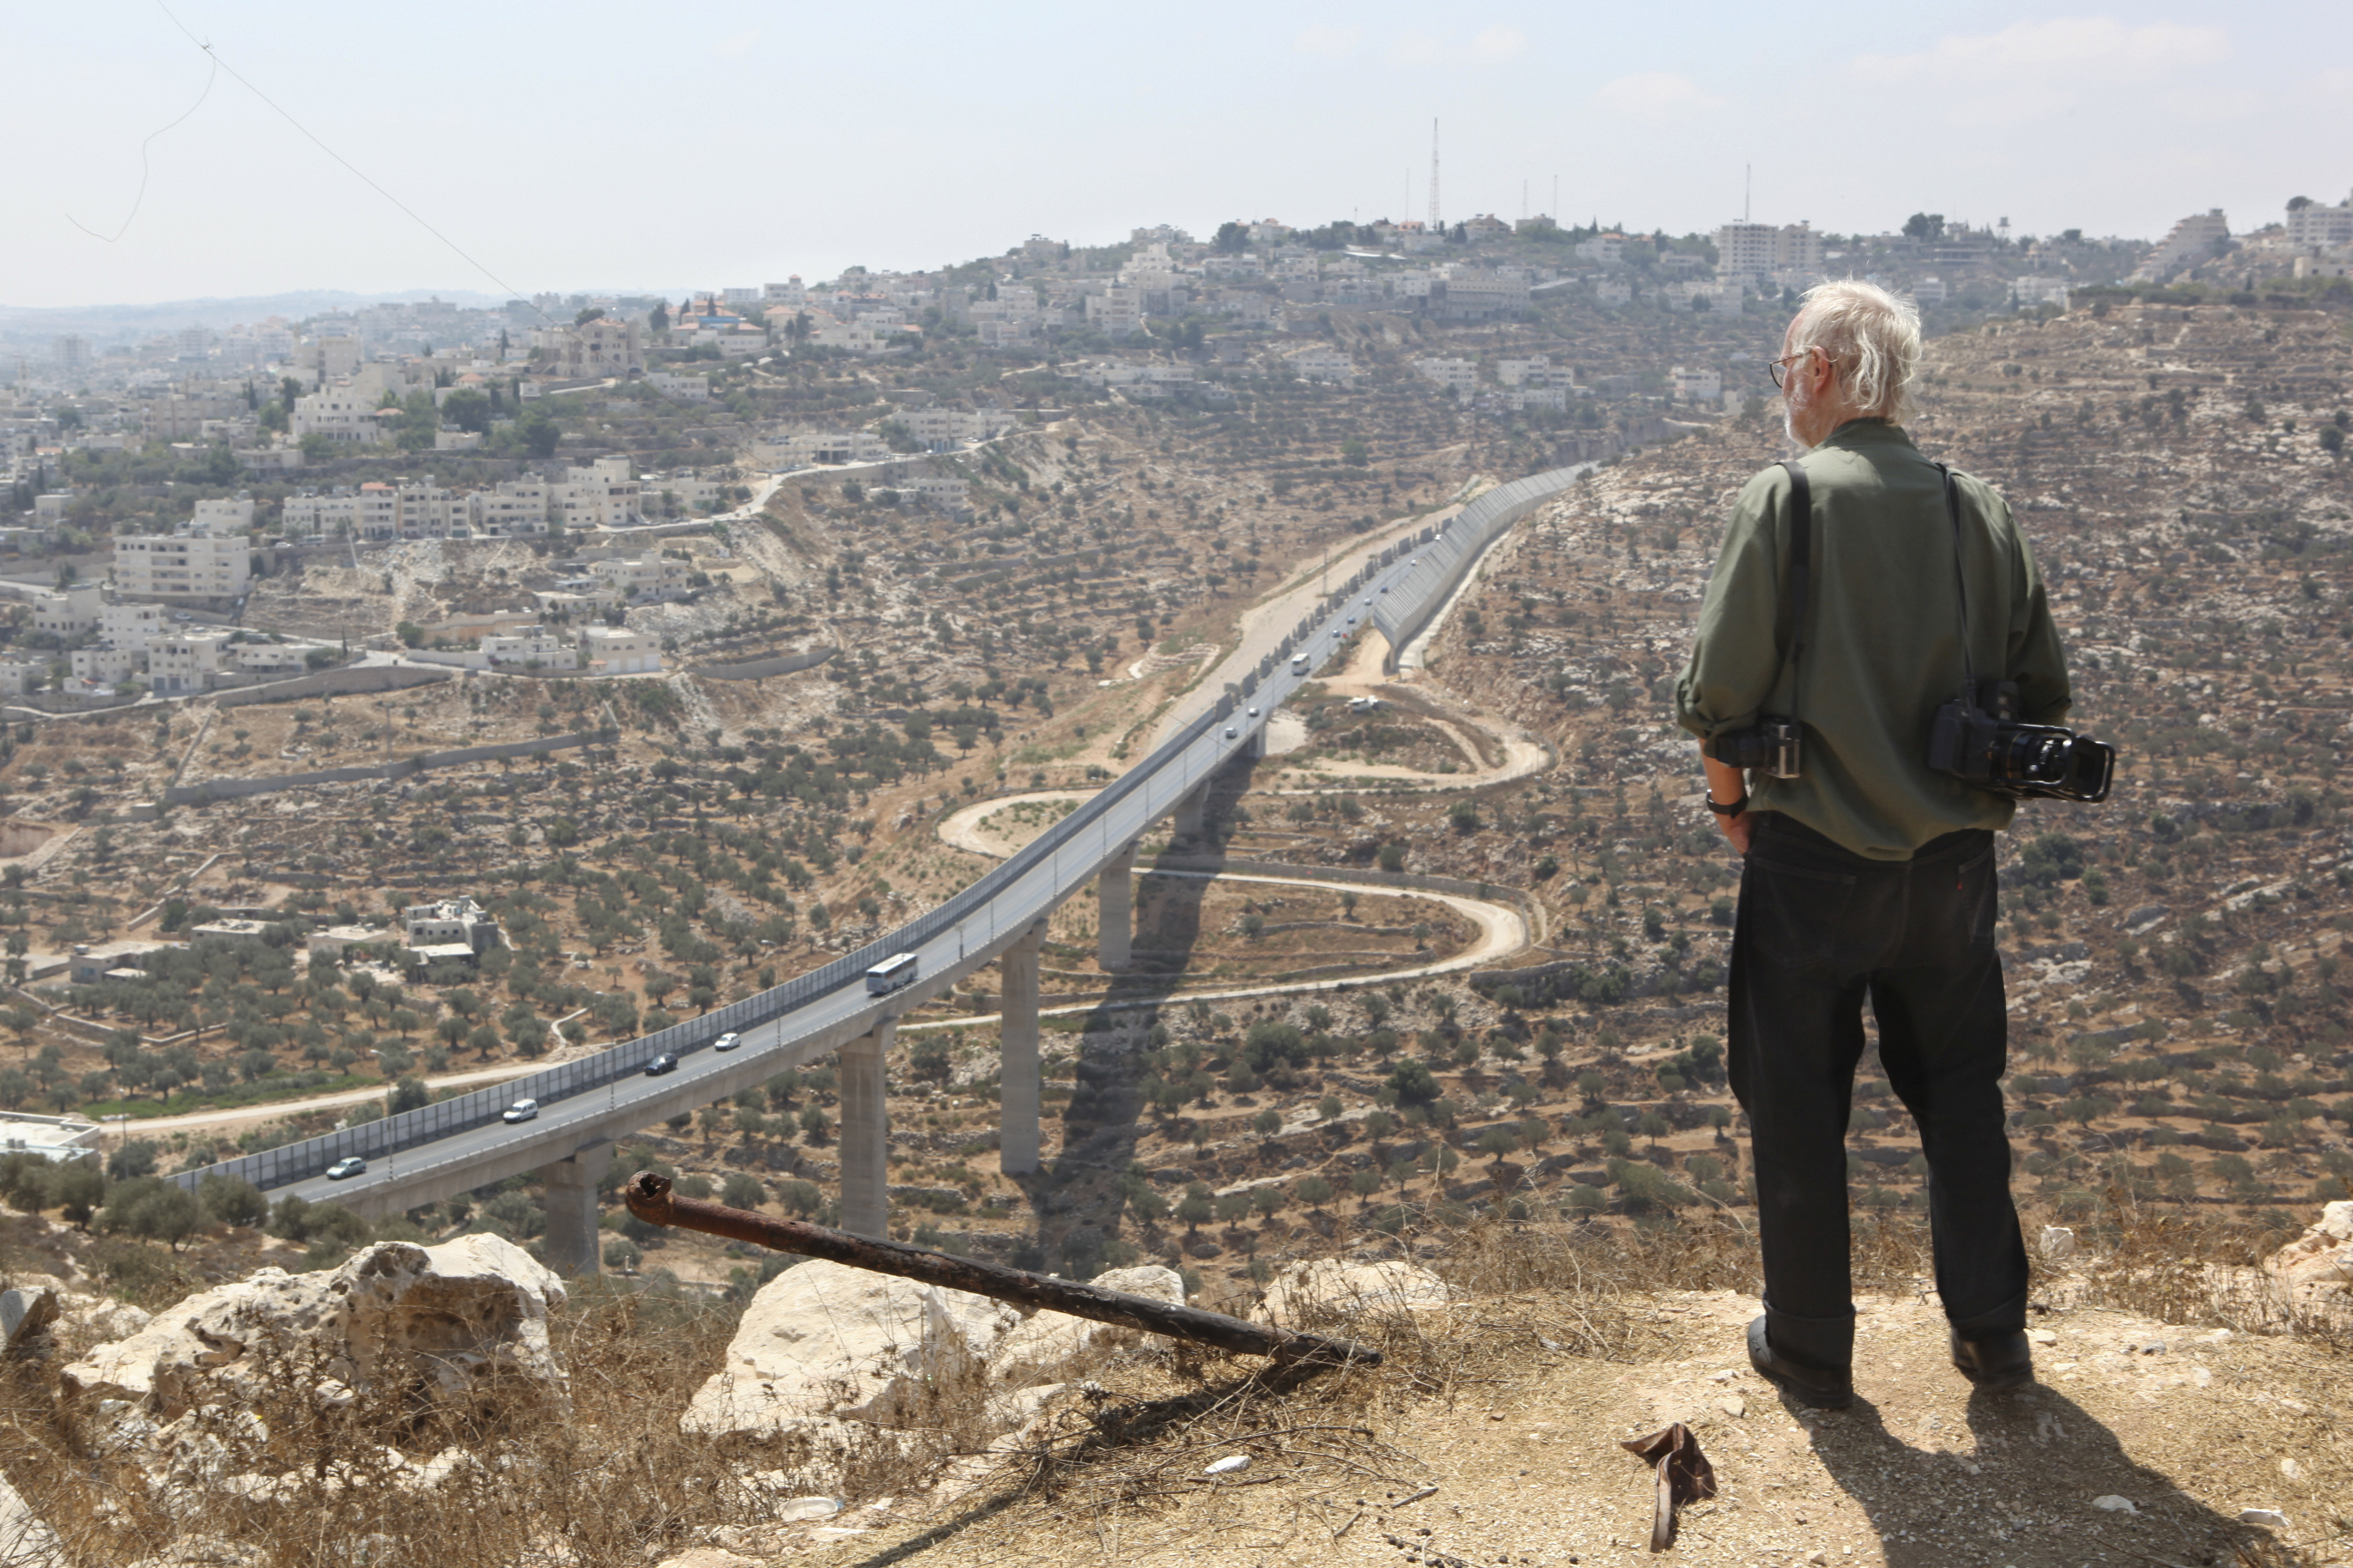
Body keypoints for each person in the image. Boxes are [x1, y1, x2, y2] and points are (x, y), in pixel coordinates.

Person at [1673, 280, 2074, 1409]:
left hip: (1808, 862)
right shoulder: (1974, 507)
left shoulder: (1785, 501)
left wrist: (1727, 808)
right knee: (1960, 1086)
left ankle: (1810, 1344)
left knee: (1797, 1094)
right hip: (1952, 873)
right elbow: (2043, 689)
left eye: (1780, 373)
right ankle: (1995, 1337)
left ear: (1813, 372)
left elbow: (1716, 694)